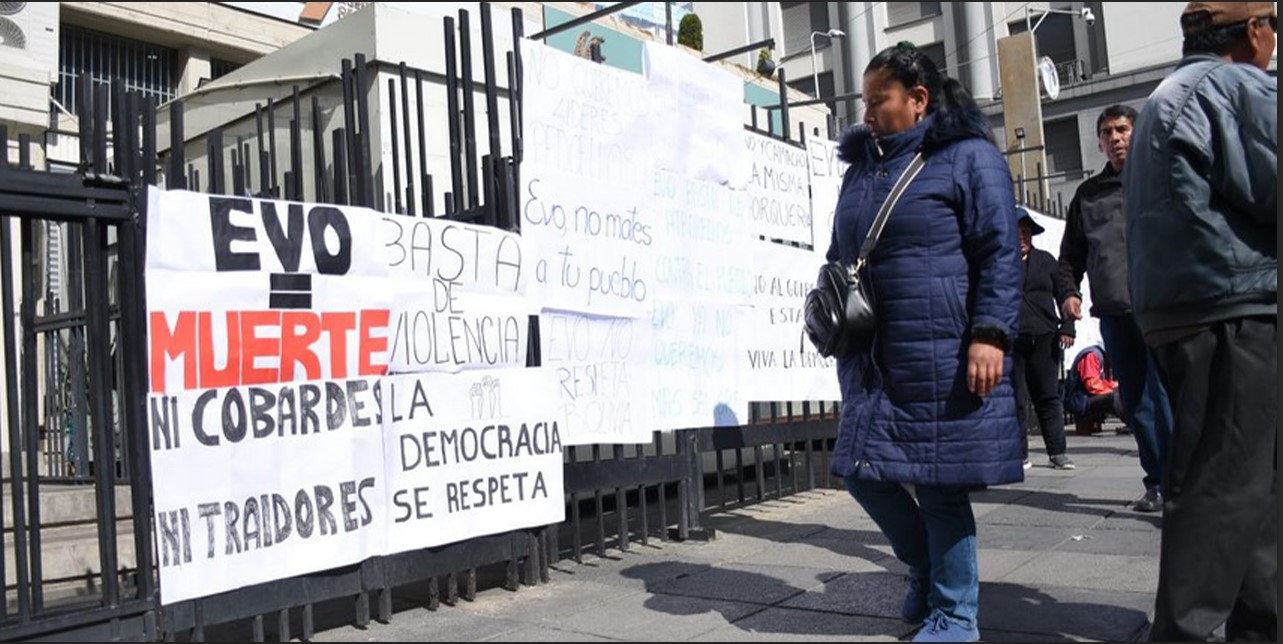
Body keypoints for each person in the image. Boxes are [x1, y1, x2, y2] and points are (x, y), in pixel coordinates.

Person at [826, 42, 1023, 643]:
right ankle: (927, 569)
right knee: (862, 471)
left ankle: (956, 613)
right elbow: (841, 254)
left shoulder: (968, 159)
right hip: (874, 353)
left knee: (938, 481)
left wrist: (990, 334)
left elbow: (998, 252)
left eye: (877, 100)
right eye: (864, 101)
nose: (867, 113)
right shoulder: (861, 171)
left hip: (943, 346)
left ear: (918, 99)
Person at [1122, 3, 1277, 641]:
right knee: (1225, 487)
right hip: (1233, 307)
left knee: (1251, 488)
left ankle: (1260, 626)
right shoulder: (1237, 86)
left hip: (1186, 310)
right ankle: (1184, 633)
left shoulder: (1166, 95)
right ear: (1253, 31)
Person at [1057, 105, 1173, 513]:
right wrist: (1070, 294)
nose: (1115, 138)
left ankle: (1185, 481)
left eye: (1122, 129)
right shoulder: (1087, 196)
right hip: (1115, 313)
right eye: (1106, 132)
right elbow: (1069, 256)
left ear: (1137, 132)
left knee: (1172, 395)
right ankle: (1158, 481)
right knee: (1137, 400)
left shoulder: (1165, 178)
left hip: (1167, 308)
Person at [1012, 208, 1075, 469]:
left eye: (1026, 232)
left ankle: (1057, 452)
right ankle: (1019, 455)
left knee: (1048, 397)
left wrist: (1068, 326)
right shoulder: (999, 262)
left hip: (1045, 336)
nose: (1022, 237)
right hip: (1012, 338)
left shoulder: (1047, 261)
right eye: (1017, 233)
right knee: (1016, 399)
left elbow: (1065, 293)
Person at [1062, 344, 1125, 435]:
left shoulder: (1103, 360)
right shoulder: (1092, 356)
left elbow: (1103, 383)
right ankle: (1134, 423)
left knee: (1119, 393)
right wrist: (1113, 387)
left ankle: (1134, 420)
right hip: (1080, 401)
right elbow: (1092, 386)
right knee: (1114, 397)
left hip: (1087, 398)